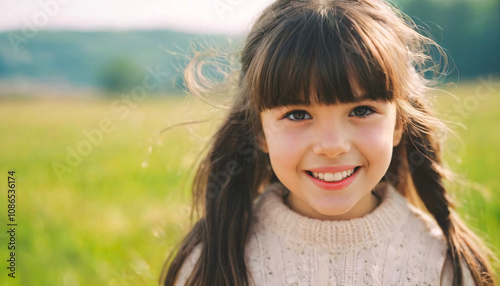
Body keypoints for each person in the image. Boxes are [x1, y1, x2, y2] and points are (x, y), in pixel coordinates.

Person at [160, 0, 497, 285]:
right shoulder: (213, 261)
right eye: (297, 114)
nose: (332, 145)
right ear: (259, 132)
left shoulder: (444, 266)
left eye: (362, 110)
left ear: (399, 124)